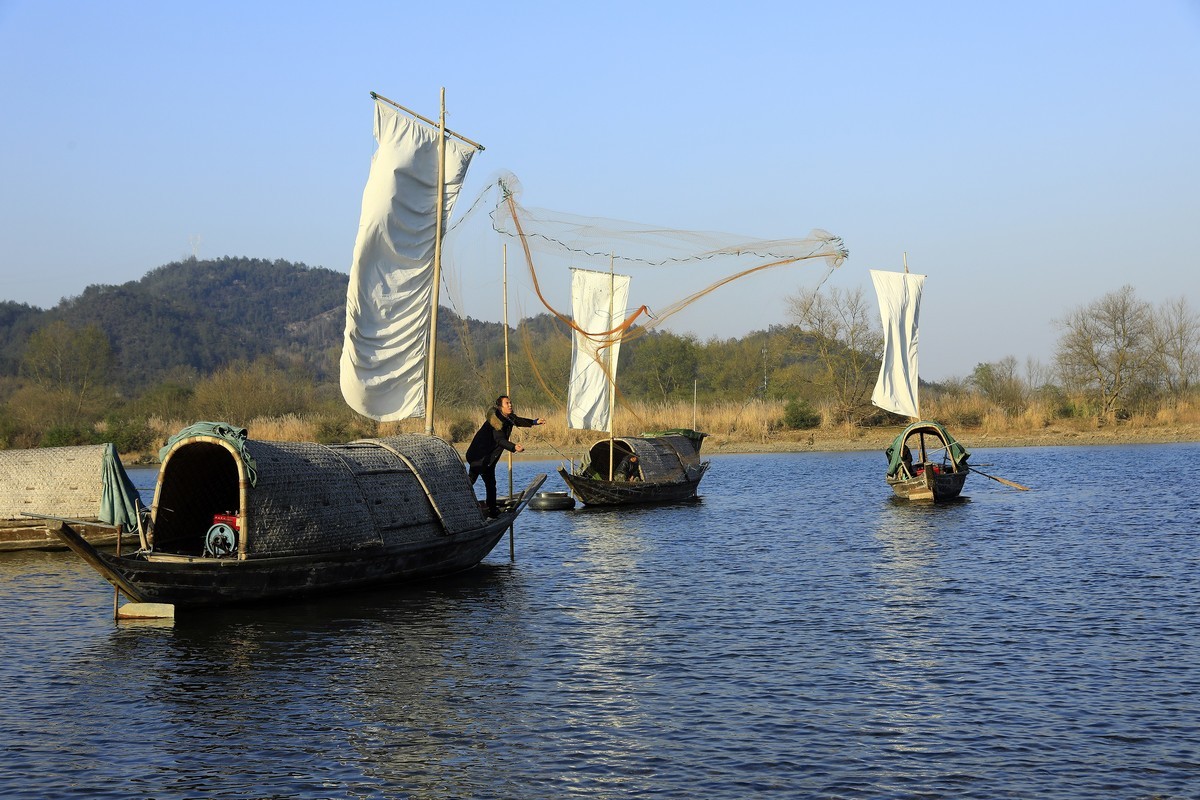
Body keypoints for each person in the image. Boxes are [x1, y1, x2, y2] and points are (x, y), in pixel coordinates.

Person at [465, 395, 545, 517]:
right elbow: (499, 440)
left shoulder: (509, 417)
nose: (510, 405)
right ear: (500, 407)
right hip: (480, 456)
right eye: (507, 403)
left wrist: (534, 422)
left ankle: (491, 511)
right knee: (479, 482)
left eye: (510, 403)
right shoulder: (495, 421)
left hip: (487, 458)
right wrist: (514, 447)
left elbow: (518, 420)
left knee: (486, 484)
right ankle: (481, 509)